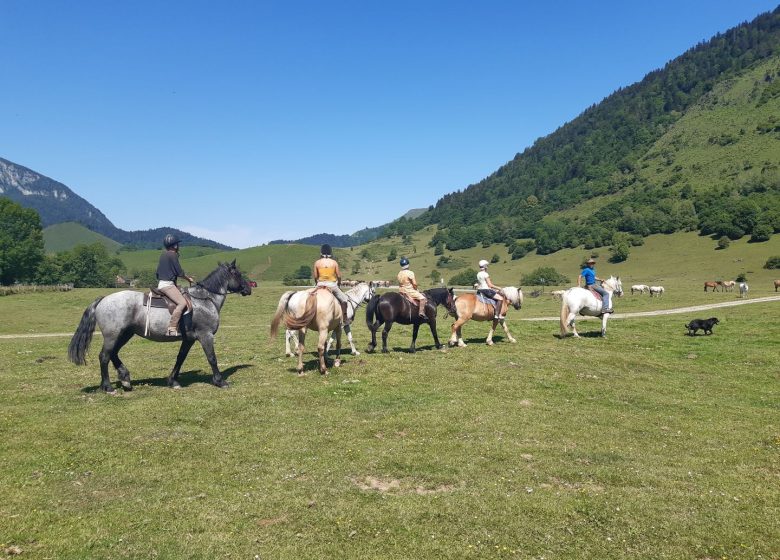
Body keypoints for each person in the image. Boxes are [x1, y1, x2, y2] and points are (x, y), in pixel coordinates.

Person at [156, 234, 194, 336]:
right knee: (182, 303)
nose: (178, 246)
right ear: (175, 246)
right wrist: (188, 279)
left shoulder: (163, 254)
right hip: (167, 285)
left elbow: (157, 273)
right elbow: (179, 272)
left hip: (162, 283)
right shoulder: (173, 255)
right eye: (177, 244)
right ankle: (172, 328)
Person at [313, 244, 350, 325]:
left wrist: (317, 283)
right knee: (344, 299)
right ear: (330, 252)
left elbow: (315, 276)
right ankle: (345, 318)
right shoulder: (334, 262)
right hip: (332, 285)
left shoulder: (317, 263)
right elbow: (339, 276)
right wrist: (339, 283)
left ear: (321, 252)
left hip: (320, 285)